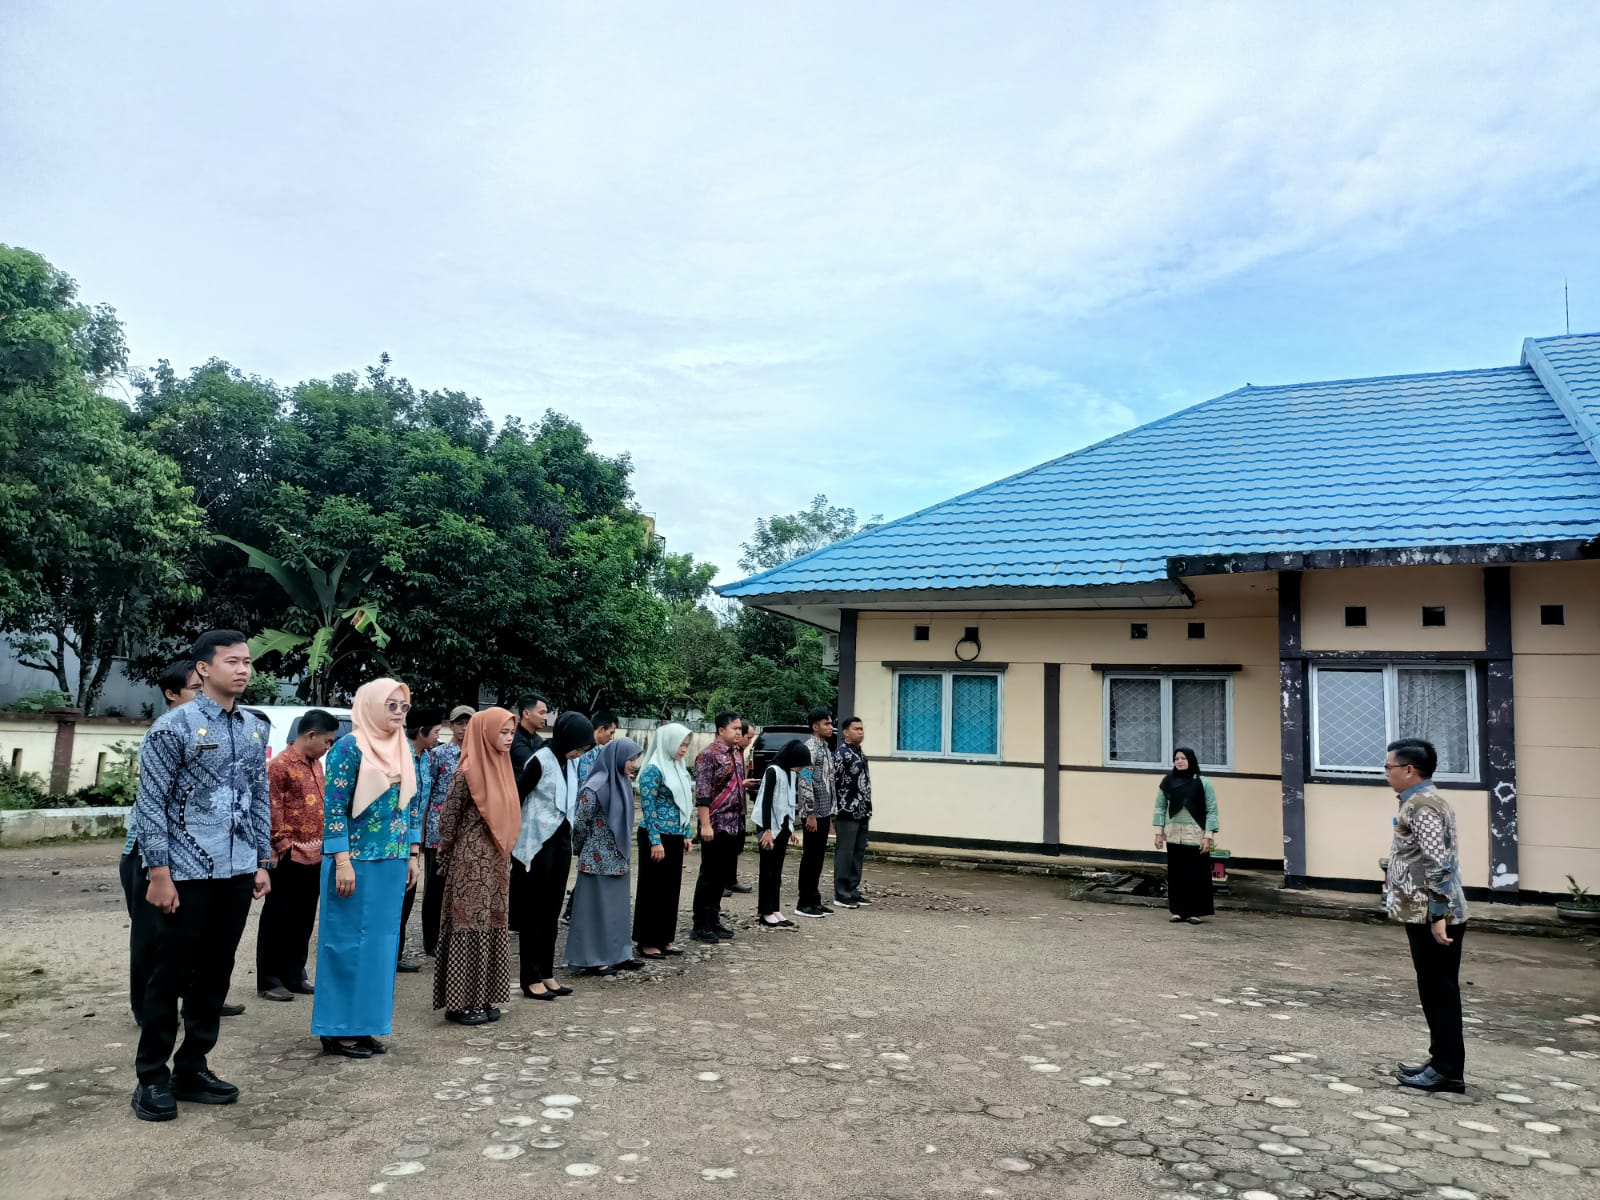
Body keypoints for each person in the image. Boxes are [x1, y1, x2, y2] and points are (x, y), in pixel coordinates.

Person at [128, 631, 272, 1123]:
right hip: (185, 873)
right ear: (204, 668)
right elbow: (151, 804)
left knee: (215, 973)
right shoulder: (174, 728)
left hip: (236, 871)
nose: (243, 669)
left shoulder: (253, 729)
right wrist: (158, 871)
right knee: (169, 974)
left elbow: (258, 797)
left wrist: (261, 861)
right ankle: (151, 1076)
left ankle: (192, 1067)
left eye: (247, 661)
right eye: (232, 661)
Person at [312, 679, 422, 1059]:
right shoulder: (349, 747)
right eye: (391, 705)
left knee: (381, 948)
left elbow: (411, 805)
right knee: (346, 945)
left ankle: (365, 1025)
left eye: (404, 707)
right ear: (371, 704)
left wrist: (412, 854)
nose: (399, 713)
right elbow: (333, 808)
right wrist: (341, 860)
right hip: (354, 863)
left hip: (392, 862)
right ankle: (337, 1029)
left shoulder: (403, 747)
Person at [1384, 738, 1470, 1094]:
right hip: (1425, 910)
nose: (1386, 773)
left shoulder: (1422, 806)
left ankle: (1448, 1071)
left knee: (1439, 991)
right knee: (1434, 988)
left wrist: (1437, 912)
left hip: (1432, 914)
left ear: (1409, 770)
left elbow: (1438, 861)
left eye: (1389, 767)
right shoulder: (1421, 801)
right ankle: (1439, 1061)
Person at [121, 658, 200, 1027]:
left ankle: (191, 999)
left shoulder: (205, 731)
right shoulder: (164, 734)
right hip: (149, 853)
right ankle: (147, 1009)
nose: (205, 697)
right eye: (196, 690)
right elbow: (151, 804)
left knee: (189, 933)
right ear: (171, 694)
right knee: (150, 937)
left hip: (190, 854)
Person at [432, 707, 521, 1025]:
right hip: (470, 863)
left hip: (497, 860)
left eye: (512, 733)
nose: (509, 739)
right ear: (485, 733)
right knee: (468, 925)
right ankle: (460, 1003)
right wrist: (445, 855)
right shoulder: (467, 770)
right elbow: (448, 817)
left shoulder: (503, 767)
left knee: (492, 922)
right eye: (503, 732)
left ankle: (483, 996)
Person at [256, 709, 341, 1002]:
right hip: (288, 855)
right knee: (278, 917)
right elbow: (272, 809)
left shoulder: (316, 765)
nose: (328, 747)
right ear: (311, 735)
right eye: (327, 741)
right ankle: (269, 978)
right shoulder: (279, 766)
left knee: (303, 918)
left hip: (316, 854)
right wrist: (282, 845)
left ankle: (294, 973)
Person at [510, 711, 595, 999]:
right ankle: (530, 977)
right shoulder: (540, 760)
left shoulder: (570, 763)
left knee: (551, 911)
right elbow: (517, 797)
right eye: (578, 747)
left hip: (561, 841)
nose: (579, 754)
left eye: (583, 750)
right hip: (537, 843)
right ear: (566, 738)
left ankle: (546, 972)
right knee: (533, 913)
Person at [567, 737, 645, 975]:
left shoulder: (622, 782)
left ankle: (619, 954)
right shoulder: (595, 786)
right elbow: (580, 823)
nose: (633, 764)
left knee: (617, 910)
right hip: (596, 859)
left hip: (618, 857)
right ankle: (594, 959)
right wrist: (579, 849)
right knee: (594, 911)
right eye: (630, 759)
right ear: (617, 758)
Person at [633, 723, 694, 958]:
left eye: (686, 745)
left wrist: (686, 833)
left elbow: (684, 802)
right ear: (668, 743)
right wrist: (655, 841)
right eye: (681, 745)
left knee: (670, 889)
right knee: (652, 889)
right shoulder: (653, 769)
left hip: (675, 835)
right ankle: (647, 940)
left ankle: (665, 938)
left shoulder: (678, 767)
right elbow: (648, 808)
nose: (684, 749)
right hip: (655, 836)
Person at [421, 705, 474, 956]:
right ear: (450, 726)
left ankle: (454, 937)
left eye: (468, 723)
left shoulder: (478, 754)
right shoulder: (438, 754)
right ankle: (431, 940)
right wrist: (422, 831)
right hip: (437, 830)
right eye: (459, 723)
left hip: (466, 831)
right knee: (435, 887)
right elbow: (426, 792)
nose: (464, 728)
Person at [690, 712, 745, 943]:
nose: (739, 732)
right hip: (715, 824)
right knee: (709, 876)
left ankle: (713, 919)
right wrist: (705, 824)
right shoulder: (708, 755)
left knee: (721, 877)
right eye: (735, 728)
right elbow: (703, 793)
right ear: (721, 730)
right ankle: (700, 924)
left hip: (733, 824)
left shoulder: (736, 754)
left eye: (740, 729)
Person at [396, 708, 441, 972]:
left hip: (416, 837)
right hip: (396, 837)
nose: (437, 737)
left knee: (408, 896)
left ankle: (396, 954)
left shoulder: (426, 759)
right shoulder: (399, 756)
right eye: (435, 731)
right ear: (421, 731)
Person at [1152, 747, 1219, 925]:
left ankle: (1195, 912)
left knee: (1196, 874)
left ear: (1191, 760)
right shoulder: (1167, 781)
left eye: (1183, 758)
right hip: (1174, 834)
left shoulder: (1203, 782)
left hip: (1196, 835)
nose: (1179, 761)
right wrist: (1159, 833)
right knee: (1176, 874)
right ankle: (1178, 911)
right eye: (1176, 759)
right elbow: (1160, 807)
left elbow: (1211, 810)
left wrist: (1208, 836)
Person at [754, 740, 812, 928]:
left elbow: (788, 803)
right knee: (767, 869)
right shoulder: (773, 771)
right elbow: (766, 801)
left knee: (777, 870)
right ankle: (765, 911)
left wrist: (791, 829)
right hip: (767, 827)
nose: (800, 769)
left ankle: (775, 908)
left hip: (783, 826)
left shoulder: (791, 773)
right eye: (799, 764)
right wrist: (767, 830)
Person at [794, 708, 837, 919]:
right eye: (826, 724)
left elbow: (830, 781)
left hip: (824, 810)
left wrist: (831, 813)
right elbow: (805, 780)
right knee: (810, 857)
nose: (830, 727)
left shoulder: (826, 748)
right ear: (815, 726)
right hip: (813, 812)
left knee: (819, 857)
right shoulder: (809, 748)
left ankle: (814, 900)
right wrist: (810, 812)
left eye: (830, 723)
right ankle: (804, 902)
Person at [832, 716, 874, 909]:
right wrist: (833, 812)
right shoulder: (842, 754)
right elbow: (833, 782)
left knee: (858, 852)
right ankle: (841, 892)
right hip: (846, 811)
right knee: (845, 852)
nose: (860, 732)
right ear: (845, 732)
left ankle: (852, 889)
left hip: (862, 810)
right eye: (856, 729)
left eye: (862, 729)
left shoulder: (860, 753)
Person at [721, 720, 756, 897]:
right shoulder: (726, 754)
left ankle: (731, 880)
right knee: (724, 848)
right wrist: (742, 783)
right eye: (748, 737)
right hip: (725, 810)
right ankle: (720, 883)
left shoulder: (741, 754)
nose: (749, 741)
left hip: (739, 807)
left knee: (736, 846)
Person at [575, 710, 618, 785]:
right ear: (601, 729)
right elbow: (586, 782)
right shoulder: (588, 749)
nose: (611, 737)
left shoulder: (595, 748)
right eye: (611, 733)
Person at [512, 693, 550, 763]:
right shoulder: (510, 739)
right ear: (526, 714)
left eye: (546, 713)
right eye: (541, 713)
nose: (545, 718)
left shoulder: (539, 740)